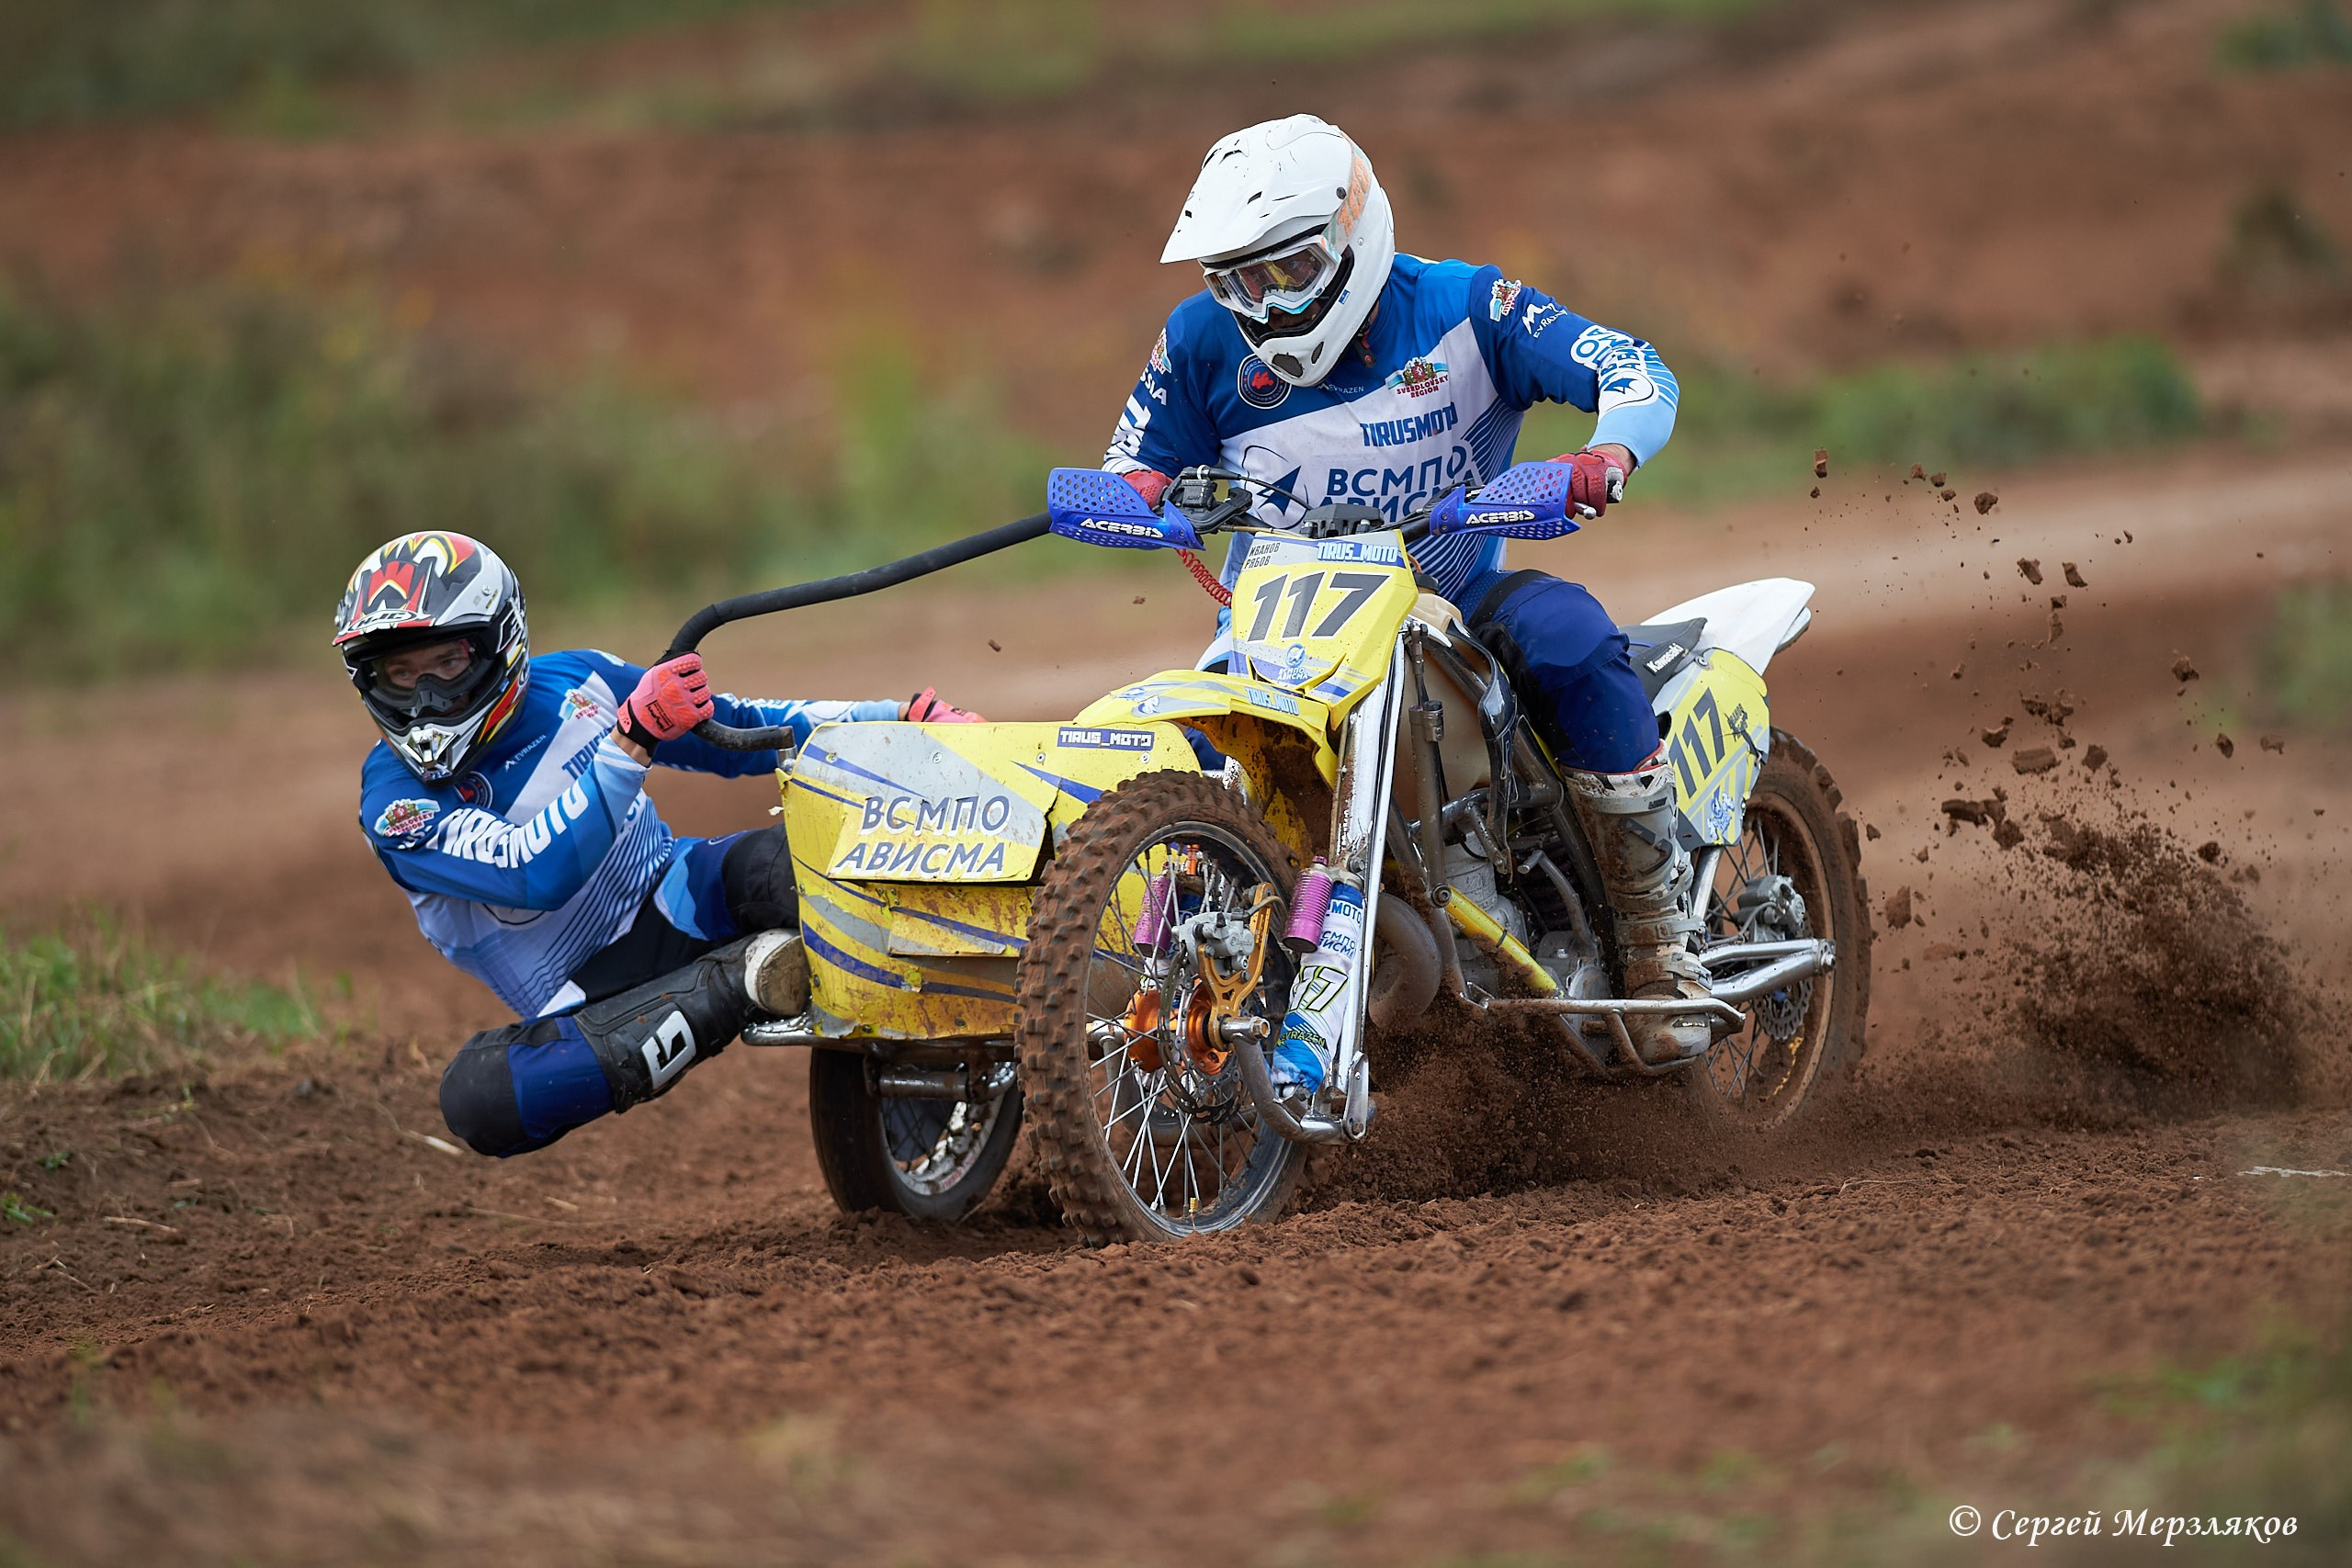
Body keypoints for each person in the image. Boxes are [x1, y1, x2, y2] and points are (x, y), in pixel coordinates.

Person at [1102, 114, 1706, 1078]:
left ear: (1352, 235)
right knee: (1178, 757)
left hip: (1456, 605)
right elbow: (1135, 464)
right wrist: (1133, 497)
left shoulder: (1467, 308)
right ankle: (1156, 993)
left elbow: (1634, 367)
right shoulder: (1201, 341)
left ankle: (1656, 944)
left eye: (1286, 271)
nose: (1261, 301)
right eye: (1236, 280)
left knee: (1572, 639)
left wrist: (1605, 453)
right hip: (1278, 637)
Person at [334, 531, 979, 1156]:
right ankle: (749, 976)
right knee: (478, 1099)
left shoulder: (579, 680)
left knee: (838, 861)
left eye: (447, 662)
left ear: (498, 645)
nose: (424, 697)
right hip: (587, 1006)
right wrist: (629, 742)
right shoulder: (393, 805)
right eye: (400, 672)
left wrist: (896, 722)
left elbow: (736, 728)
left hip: (682, 893)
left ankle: (992, 1007)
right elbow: (533, 872)